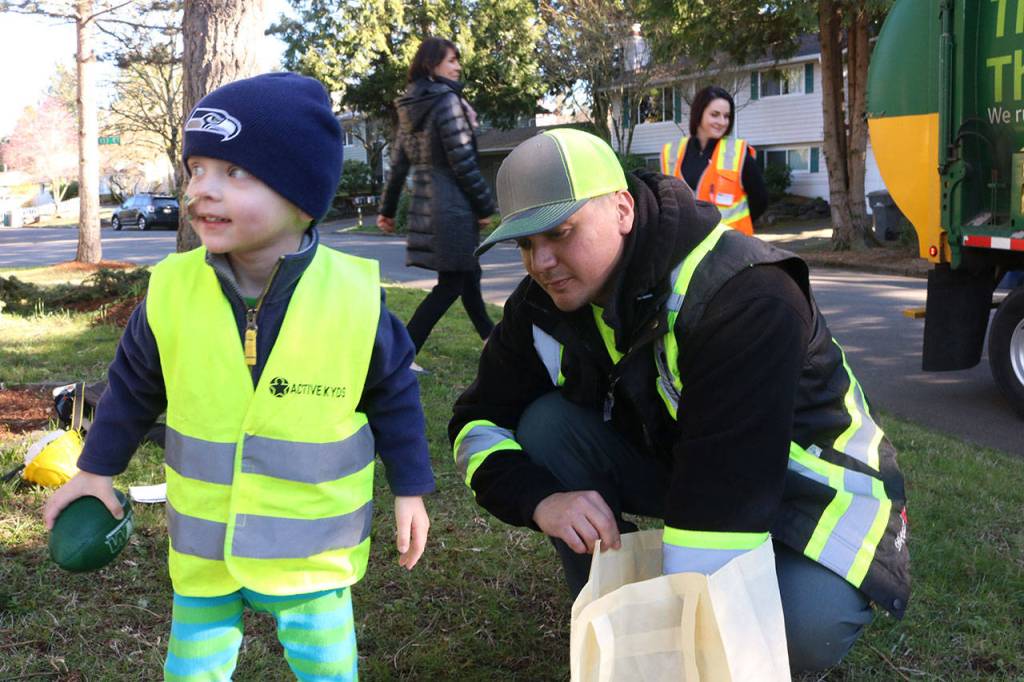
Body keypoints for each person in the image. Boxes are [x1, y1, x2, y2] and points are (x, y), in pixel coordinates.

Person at [449, 128, 909, 673]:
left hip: (814, 495)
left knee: (797, 631)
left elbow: (724, 503)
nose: (540, 262)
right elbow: (474, 422)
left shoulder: (744, 294)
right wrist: (541, 500)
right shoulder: (541, 304)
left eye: (561, 232)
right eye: (526, 244)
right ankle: (604, 605)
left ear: (621, 209)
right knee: (548, 426)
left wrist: (676, 648)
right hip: (695, 467)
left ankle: (658, 624)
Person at [42, 72, 434, 682]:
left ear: (301, 193)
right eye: (196, 169)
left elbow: (393, 395)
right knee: (192, 669)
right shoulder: (172, 291)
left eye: (233, 171)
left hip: (313, 557)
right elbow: (132, 389)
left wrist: (410, 486)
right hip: (204, 550)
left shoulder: (353, 299)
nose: (202, 190)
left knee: (327, 668)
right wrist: (94, 472)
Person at [377, 37, 496, 360]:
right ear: (432, 65)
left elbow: (399, 163)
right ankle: (402, 355)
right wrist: (484, 205)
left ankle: (491, 339)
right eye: (452, 60)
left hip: (429, 206)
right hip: (453, 208)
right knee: (451, 285)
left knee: (468, 277)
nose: (458, 66)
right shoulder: (447, 102)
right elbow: (463, 161)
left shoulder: (410, 106)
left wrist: (387, 210)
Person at [660, 85, 768, 235]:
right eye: (715, 114)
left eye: (727, 116)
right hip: (688, 250)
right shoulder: (671, 153)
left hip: (732, 249)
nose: (722, 122)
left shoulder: (738, 153)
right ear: (699, 113)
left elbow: (760, 200)